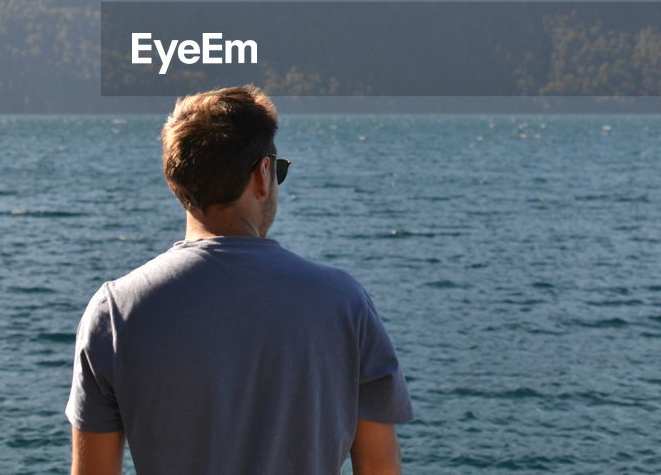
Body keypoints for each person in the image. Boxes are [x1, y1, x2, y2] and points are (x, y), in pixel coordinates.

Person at [66, 84, 413, 474]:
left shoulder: (116, 311)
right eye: (278, 170)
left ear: (175, 183)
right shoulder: (344, 304)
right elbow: (379, 467)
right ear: (263, 174)